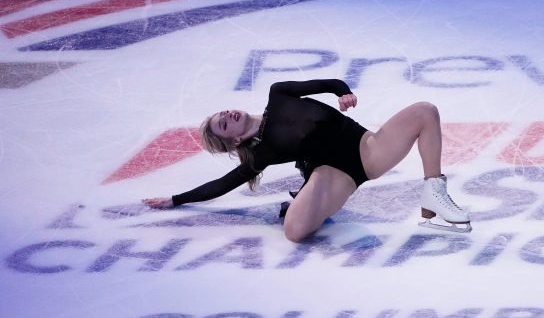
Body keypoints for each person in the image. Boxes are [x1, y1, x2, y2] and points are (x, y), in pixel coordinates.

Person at [143, 79, 471, 241]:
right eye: (224, 125)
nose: (229, 115)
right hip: (332, 176)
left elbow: (329, 85)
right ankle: (303, 201)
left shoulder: (278, 94)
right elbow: (223, 183)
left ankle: (434, 194)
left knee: (425, 112)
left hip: (368, 149)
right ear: (235, 140)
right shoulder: (262, 153)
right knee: (294, 232)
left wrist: (344, 94)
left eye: (224, 114)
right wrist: (176, 199)